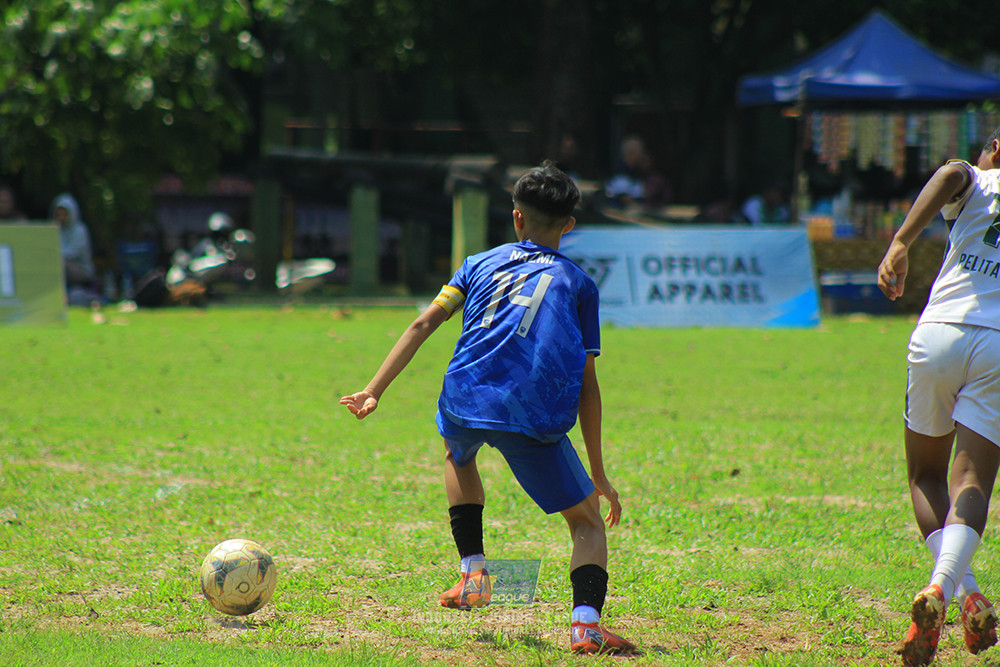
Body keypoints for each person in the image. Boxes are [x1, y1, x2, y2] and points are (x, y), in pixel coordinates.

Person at [340, 160, 636, 655]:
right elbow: (588, 386)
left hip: (463, 397)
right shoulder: (580, 285)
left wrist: (374, 389)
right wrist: (599, 473)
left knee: (458, 454)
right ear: (569, 225)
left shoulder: (476, 263)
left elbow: (421, 326)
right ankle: (585, 628)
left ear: (516, 217)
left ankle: (473, 575)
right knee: (585, 523)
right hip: (530, 415)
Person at [877, 127, 1000, 666]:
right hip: (999, 346)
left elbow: (951, 171)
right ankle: (951, 588)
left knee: (925, 475)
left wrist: (901, 241)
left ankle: (953, 591)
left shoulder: (977, 178)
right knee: (972, 481)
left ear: (995, 150)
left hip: (941, 332)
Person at [51, 193, 97, 303]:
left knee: (61, 263)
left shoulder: (80, 231)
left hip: (80, 270)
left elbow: (72, 253)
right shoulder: (55, 231)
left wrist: (53, 255)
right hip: (60, 265)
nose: (61, 217)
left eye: (64, 214)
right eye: (59, 214)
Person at [604, 135, 670, 210]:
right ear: (632, 154)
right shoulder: (620, 173)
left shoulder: (638, 172)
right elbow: (625, 199)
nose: (642, 156)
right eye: (640, 153)